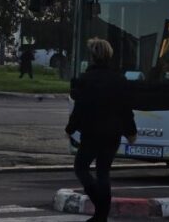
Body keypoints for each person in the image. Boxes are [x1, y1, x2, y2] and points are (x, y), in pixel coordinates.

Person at [65, 38, 137, 221]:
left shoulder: (85, 79)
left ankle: (100, 207)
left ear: (92, 57)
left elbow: (79, 108)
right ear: (109, 56)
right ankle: (101, 215)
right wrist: (131, 132)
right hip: (112, 134)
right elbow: (125, 109)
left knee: (81, 167)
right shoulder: (119, 80)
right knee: (103, 171)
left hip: (91, 133)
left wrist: (70, 128)